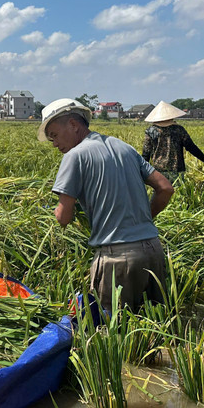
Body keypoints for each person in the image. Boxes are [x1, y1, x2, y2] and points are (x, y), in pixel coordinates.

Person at [39, 98, 174, 312]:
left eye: (54, 135)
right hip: (153, 249)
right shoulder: (123, 147)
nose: (54, 143)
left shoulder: (74, 156)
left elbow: (63, 218)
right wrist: (143, 219)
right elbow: (165, 188)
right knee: (157, 324)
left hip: (117, 258)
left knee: (113, 331)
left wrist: (55, 211)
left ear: (73, 125)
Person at [142, 101, 204, 184]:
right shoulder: (178, 130)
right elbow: (192, 148)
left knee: (160, 194)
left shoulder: (151, 131)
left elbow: (146, 153)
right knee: (177, 193)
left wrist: (142, 171)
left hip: (158, 171)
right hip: (177, 170)